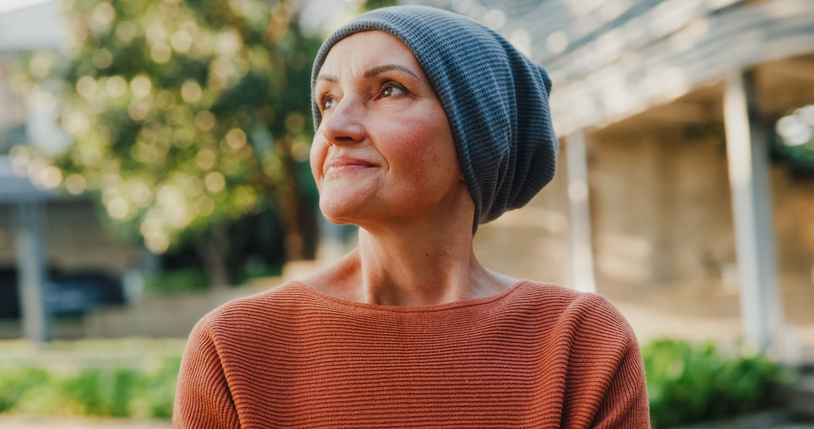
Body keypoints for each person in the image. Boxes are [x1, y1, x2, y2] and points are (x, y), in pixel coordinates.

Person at [173, 6, 650, 428]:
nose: (334, 127)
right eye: (327, 100)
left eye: (388, 90)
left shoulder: (582, 342)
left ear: (477, 143)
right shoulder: (235, 347)